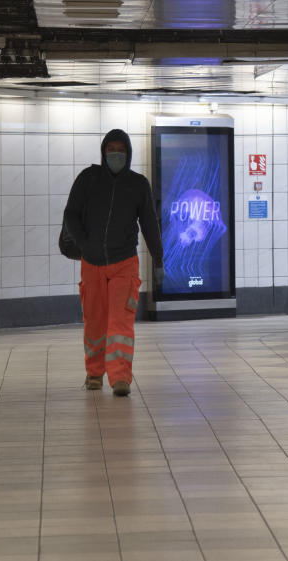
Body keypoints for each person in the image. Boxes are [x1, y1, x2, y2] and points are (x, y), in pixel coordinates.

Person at [63, 129, 164, 396]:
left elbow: (150, 224)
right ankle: (94, 373)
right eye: (111, 149)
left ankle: (120, 378)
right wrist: (85, 244)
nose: (115, 154)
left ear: (128, 154)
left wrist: (158, 259)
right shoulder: (88, 179)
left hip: (124, 264)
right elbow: (70, 214)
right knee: (95, 322)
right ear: (103, 152)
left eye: (121, 150)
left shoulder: (138, 184)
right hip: (92, 263)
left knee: (120, 323)